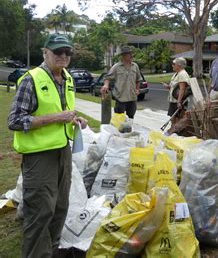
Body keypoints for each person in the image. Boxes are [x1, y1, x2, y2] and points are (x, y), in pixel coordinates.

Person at [8, 34, 87, 257]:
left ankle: (51, 251)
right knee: (40, 211)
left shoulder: (68, 78)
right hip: (39, 156)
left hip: (63, 151)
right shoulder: (31, 79)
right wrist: (56, 118)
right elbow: (14, 121)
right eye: (58, 52)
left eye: (67, 52)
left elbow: (63, 112)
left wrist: (75, 119)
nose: (63, 56)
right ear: (45, 53)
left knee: (60, 207)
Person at [100, 45, 141, 119]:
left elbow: (138, 79)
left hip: (132, 98)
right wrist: (106, 85)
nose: (131, 55)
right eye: (129, 54)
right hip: (121, 98)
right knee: (119, 120)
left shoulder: (135, 66)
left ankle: (129, 130)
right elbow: (107, 77)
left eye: (131, 53)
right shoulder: (116, 67)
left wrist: (137, 89)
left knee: (130, 119)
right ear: (123, 55)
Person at [163, 57, 191, 125]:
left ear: (179, 65)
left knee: (177, 118)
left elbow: (182, 89)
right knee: (173, 117)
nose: (172, 65)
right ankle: (174, 132)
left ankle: (176, 132)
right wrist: (168, 86)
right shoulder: (177, 73)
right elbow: (176, 87)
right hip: (174, 100)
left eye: (174, 64)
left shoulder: (182, 74)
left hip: (178, 101)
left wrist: (179, 102)